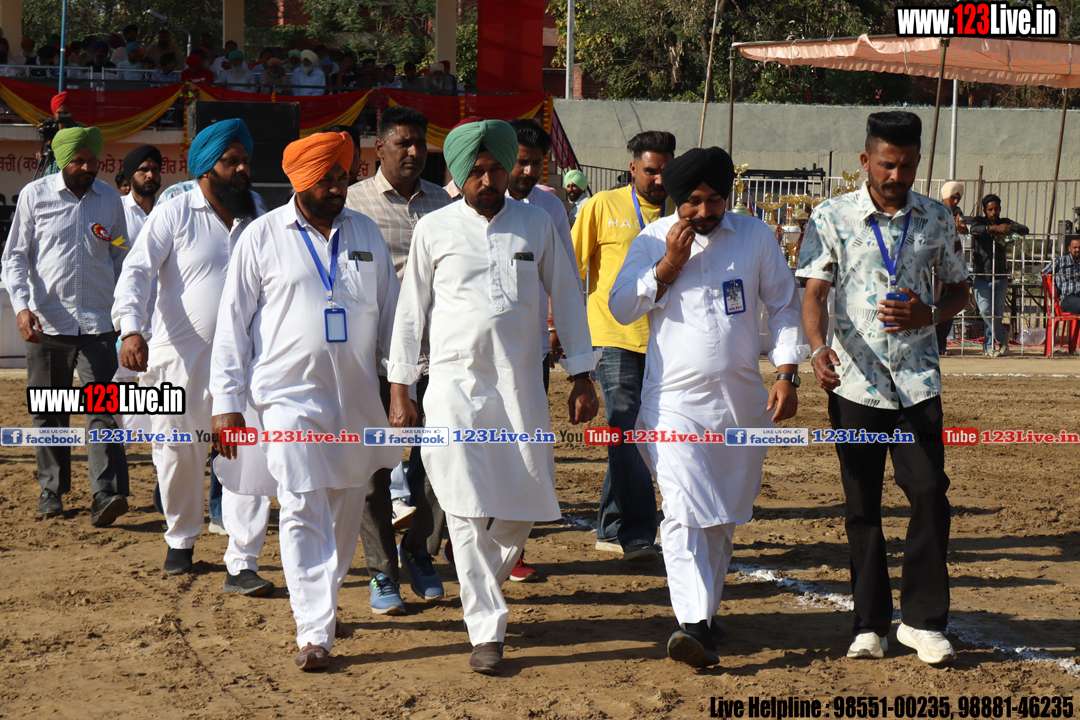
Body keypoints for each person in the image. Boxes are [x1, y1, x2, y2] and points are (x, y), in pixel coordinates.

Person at [387, 119, 600, 675]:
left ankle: (480, 586)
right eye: (477, 171)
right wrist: (400, 386)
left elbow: (568, 297)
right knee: (462, 506)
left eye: (496, 169)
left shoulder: (536, 223)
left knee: (525, 501)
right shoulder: (434, 228)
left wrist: (582, 374)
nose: (488, 180)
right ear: (459, 175)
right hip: (453, 389)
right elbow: (410, 314)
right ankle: (487, 629)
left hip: (520, 387)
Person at [211, 131, 401, 669]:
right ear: (300, 181)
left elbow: (390, 315)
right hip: (286, 397)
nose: (338, 186)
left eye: (342, 175)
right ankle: (313, 630)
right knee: (300, 501)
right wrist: (225, 401)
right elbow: (232, 324)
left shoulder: (364, 231)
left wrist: (401, 384)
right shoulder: (262, 236)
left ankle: (323, 604)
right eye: (326, 178)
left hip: (357, 399)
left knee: (343, 506)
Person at [609, 146, 803, 668]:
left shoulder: (755, 236)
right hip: (674, 403)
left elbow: (784, 306)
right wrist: (667, 266)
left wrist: (787, 371)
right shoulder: (653, 239)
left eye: (713, 200)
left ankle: (705, 617)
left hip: (742, 405)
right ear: (676, 200)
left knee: (722, 514)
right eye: (692, 201)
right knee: (684, 509)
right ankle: (692, 624)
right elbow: (620, 305)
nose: (702, 211)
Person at [797, 111, 969, 666]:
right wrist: (817, 349)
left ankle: (923, 622)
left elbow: (961, 290)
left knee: (929, 493)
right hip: (855, 385)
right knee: (862, 505)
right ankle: (869, 625)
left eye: (908, 166)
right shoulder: (831, 216)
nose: (897, 176)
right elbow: (814, 294)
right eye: (887, 164)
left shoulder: (936, 217)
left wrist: (929, 314)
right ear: (866, 160)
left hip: (917, 382)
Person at [112, 121, 273, 586]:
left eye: (245, 161)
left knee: (247, 456)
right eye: (231, 161)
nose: (241, 169)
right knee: (178, 456)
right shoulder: (174, 212)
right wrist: (130, 329)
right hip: (178, 362)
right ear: (205, 168)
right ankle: (181, 539)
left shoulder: (258, 213)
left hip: (246, 363)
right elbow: (137, 271)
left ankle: (242, 560)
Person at [345, 106, 452, 616]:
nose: (413, 152)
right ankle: (381, 570)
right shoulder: (353, 204)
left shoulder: (444, 203)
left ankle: (419, 550)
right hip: (373, 359)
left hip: (438, 357)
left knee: (441, 460)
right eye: (402, 143)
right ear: (379, 149)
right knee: (372, 469)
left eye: (419, 143)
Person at [1, 127, 130, 526]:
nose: (88, 167)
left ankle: (104, 492)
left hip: (99, 323)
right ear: (61, 161)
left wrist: (124, 310)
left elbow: (121, 254)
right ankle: (51, 490)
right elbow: (15, 257)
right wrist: (21, 307)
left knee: (103, 410)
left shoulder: (109, 199)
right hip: (47, 323)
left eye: (93, 160)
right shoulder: (34, 196)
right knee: (49, 411)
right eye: (79, 161)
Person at [571, 130, 675, 561]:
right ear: (633, 168)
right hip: (613, 338)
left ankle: (611, 526)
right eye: (650, 171)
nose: (658, 179)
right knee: (626, 429)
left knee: (639, 435)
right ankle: (638, 533)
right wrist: (560, 328)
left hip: (667, 342)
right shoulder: (601, 206)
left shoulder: (682, 212)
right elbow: (570, 268)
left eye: (666, 171)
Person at [503, 118, 580, 582]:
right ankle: (445, 538)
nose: (530, 171)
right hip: (471, 356)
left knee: (524, 447)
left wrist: (556, 329)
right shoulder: (459, 205)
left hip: (530, 353)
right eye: (522, 162)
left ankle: (512, 548)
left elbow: (564, 276)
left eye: (537, 163)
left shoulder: (549, 208)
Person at [968, 194, 1028, 357]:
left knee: (997, 314)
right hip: (982, 275)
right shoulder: (979, 221)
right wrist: (995, 229)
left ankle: (990, 347)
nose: (993, 212)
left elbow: (1024, 229)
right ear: (985, 210)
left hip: (1000, 276)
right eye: (990, 209)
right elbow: (974, 230)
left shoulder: (1005, 222)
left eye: (996, 209)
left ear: (1000, 209)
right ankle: (1002, 338)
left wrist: (1007, 229)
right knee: (985, 312)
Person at [935, 181, 968, 354]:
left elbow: (964, 229)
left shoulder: (957, 213)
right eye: (953, 198)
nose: (956, 201)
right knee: (935, 305)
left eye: (958, 199)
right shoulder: (935, 211)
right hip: (936, 265)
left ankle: (941, 345)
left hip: (952, 264)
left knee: (948, 306)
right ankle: (932, 344)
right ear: (946, 196)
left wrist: (958, 227)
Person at [1042, 235, 1080, 315]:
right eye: (1075, 247)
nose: (1078, 250)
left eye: (1079, 247)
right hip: (1067, 297)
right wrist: (1050, 284)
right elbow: (1042, 274)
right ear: (1069, 249)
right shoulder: (1060, 261)